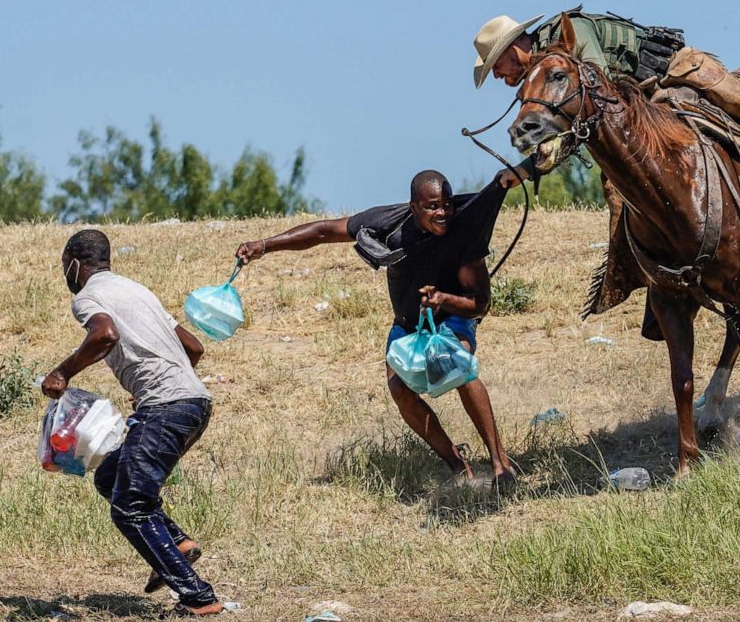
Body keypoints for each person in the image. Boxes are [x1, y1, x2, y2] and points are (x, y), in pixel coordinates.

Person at [472, 7, 740, 267]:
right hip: (642, 109)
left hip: (675, 74)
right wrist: (528, 166)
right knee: (620, 188)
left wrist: (531, 164)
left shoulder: (567, 35)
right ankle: (645, 270)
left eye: (497, 65)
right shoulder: (543, 77)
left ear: (514, 48)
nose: (498, 77)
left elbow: (596, 98)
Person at [236, 171, 516, 489]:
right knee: (400, 390)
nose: (443, 213)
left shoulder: (463, 233)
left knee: (457, 366)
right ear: (414, 206)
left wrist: (443, 299)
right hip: (408, 325)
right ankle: (458, 466)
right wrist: (265, 245)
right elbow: (324, 232)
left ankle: (499, 465)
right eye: (433, 206)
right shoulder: (387, 222)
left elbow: (480, 304)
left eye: (448, 205)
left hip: (451, 317)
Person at [42, 229, 225, 618]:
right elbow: (193, 347)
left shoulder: (88, 296)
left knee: (130, 507)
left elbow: (104, 334)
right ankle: (175, 544)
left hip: (166, 406)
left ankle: (198, 598)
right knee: (109, 477)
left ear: (75, 262)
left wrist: (63, 372)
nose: (65, 275)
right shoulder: (137, 290)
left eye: (64, 266)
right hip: (195, 402)